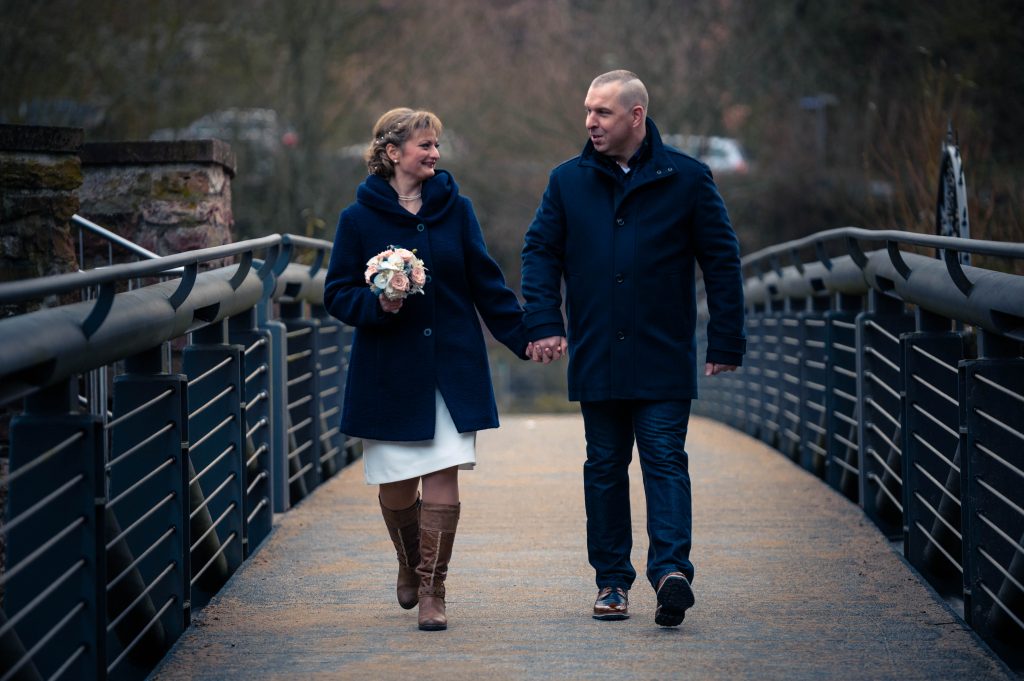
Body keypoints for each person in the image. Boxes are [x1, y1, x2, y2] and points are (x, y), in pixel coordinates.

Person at [520, 70, 746, 627]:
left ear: (636, 116)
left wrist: (725, 338)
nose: (591, 121)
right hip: (598, 349)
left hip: (663, 349)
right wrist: (545, 321)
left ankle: (671, 573)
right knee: (604, 466)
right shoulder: (566, 181)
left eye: (603, 112)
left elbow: (721, 260)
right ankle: (612, 582)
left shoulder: (689, 179)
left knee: (665, 460)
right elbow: (539, 252)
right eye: (588, 110)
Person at [323, 108, 530, 631]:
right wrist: (377, 303)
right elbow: (336, 293)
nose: (434, 153)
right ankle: (408, 559)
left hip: (451, 367)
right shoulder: (358, 219)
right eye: (424, 145)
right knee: (396, 483)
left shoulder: (457, 210)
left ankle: (435, 590)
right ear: (393, 153)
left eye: (436, 145)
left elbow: (486, 281)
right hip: (388, 371)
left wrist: (527, 338)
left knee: (444, 472)